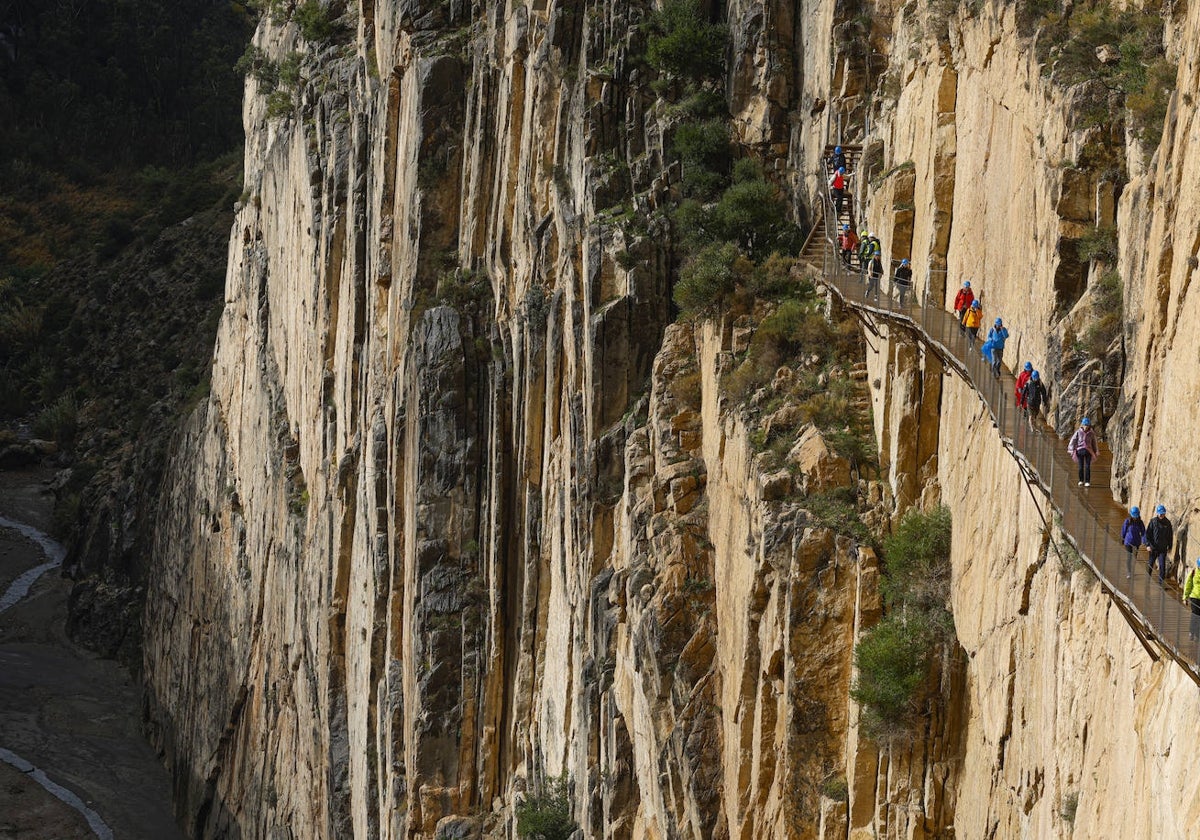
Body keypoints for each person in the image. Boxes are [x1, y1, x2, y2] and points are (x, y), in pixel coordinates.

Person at [1067, 417, 1099, 487]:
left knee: (1087, 467)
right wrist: (1071, 449)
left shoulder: (1091, 433)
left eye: (1087, 425)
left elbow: (1094, 442)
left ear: (1089, 425)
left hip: (1089, 451)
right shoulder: (1078, 432)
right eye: (1085, 425)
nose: (1086, 427)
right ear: (1082, 425)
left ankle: (1087, 481)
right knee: (1080, 467)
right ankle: (1081, 480)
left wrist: (1096, 451)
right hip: (1080, 451)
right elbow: (1073, 440)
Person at [1146, 504, 1173, 583]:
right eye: (1160, 513)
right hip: (1153, 548)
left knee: (1162, 566)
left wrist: (1170, 546)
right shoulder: (1153, 521)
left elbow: (1170, 536)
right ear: (1157, 513)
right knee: (1150, 564)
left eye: (1163, 513)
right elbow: (1148, 534)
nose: (1161, 515)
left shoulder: (1167, 523)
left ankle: (1161, 583)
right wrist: (1148, 545)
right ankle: (1147, 580)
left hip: (1163, 548)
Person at [1121, 506, 1146, 579]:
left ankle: (1132, 571)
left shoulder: (1140, 523)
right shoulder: (1127, 521)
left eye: (1136, 516)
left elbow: (1143, 532)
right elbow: (1123, 530)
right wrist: (1122, 538)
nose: (1135, 517)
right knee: (1129, 557)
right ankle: (1129, 572)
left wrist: (1144, 540)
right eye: (1134, 516)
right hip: (1128, 542)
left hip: (1136, 542)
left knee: (1134, 558)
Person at [1182, 558, 1200, 641]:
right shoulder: (1194, 572)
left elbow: (1188, 585)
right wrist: (1185, 597)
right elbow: (1188, 585)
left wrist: (1185, 597)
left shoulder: (1194, 571)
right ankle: (1194, 633)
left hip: (1195, 597)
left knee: (1195, 616)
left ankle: (1194, 633)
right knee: (1196, 616)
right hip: (1195, 598)